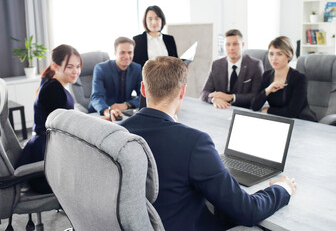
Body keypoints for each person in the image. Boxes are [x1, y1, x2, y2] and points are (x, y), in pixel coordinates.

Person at [121, 56, 296, 231]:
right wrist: (282, 188)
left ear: (143, 89)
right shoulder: (194, 142)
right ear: (182, 91)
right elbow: (249, 211)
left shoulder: (118, 132)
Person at [16, 44, 82, 193]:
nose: (76, 71)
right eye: (70, 67)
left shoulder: (53, 83)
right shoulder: (53, 89)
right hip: (47, 157)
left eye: (78, 66)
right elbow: (64, 127)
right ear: (55, 66)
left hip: (47, 149)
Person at [251, 36, 317, 121]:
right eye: (271, 54)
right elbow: (254, 106)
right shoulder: (267, 76)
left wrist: (268, 110)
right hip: (278, 121)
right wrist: (267, 90)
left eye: (279, 54)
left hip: (301, 122)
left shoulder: (299, 78)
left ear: (289, 56)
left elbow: (292, 112)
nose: (274, 58)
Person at [200, 29, 263, 109]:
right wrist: (214, 99)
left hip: (244, 110)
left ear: (242, 45)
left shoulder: (255, 65)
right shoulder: (216, 65)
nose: (231, 48)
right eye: (228, 44)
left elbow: (257, 96)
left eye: (235, 44)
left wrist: (231, 97)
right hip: (222, 110)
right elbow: (204, 92)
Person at [133, 5, 178, 108]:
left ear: (162, 20)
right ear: (145, 21)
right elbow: (136, 66)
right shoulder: (138, 40)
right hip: (148, 85)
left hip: (168, 83)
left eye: (157, 18)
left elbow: (176, 60)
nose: (154, 22)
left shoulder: (169, 39)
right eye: (150, 19)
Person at [88, 37, 142, 121]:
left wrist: (127, 105)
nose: (127, 56)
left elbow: (143, 95)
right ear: (115, 53)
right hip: (101, 112)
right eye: (122, 52)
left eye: (130, 52)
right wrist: (107, 111)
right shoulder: (101, 68)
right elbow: (96, 97)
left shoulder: (136, 68)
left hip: (123, 112)